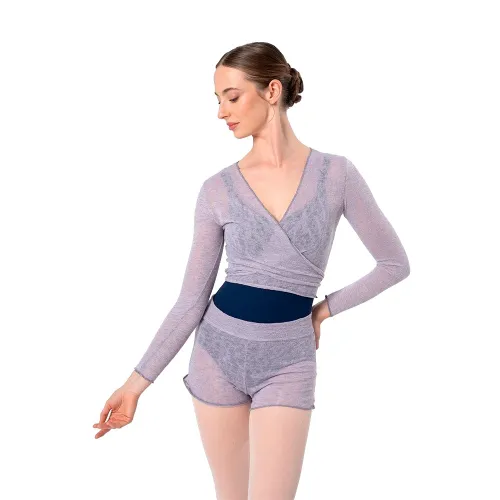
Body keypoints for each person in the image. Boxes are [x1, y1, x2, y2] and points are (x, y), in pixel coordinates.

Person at [93, 41, 410, 499]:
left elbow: (394, 264)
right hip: (217, 354)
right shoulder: (217, 189)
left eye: (232, 96)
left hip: (289, 361)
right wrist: (134, 385)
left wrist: (322, 311)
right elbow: (190, 301)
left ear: (272, 91)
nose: (221, 112)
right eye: (218, 99)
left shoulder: (337, 175)